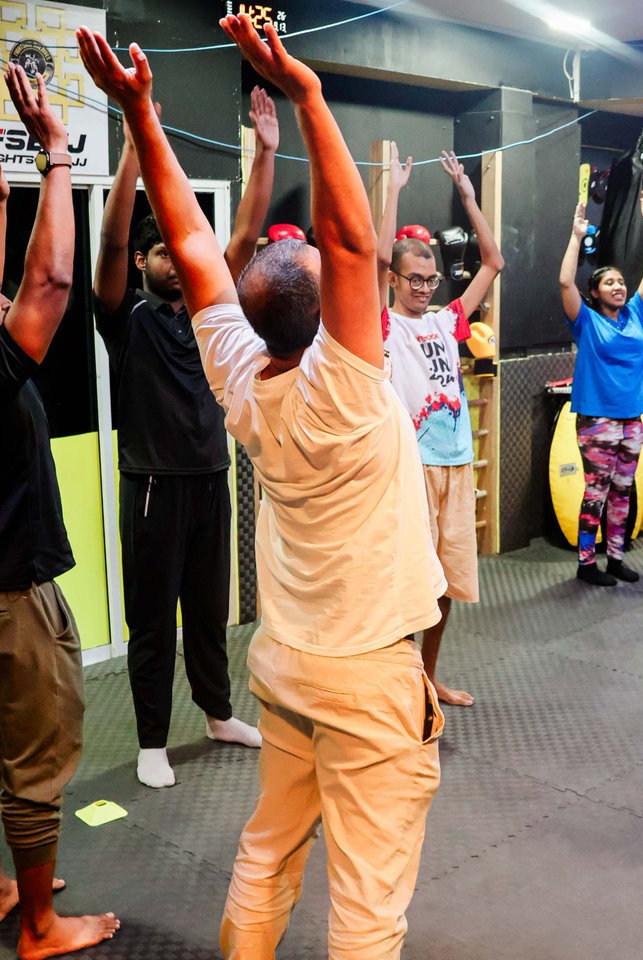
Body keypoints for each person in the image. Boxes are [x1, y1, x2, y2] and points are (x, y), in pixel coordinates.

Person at [78, 17, 447, 957]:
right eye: (330, 272)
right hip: (366, 676)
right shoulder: (348, 386)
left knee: (268, 852)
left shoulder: (241, 378)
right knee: (367, 908)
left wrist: (141, 117)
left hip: (287, 665)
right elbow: (348, 240)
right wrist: (308, 93)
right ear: (332, 311)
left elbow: (200, 248)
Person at [0, 68, 120, 959]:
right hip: (11, 597)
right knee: (37, 768)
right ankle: (39, 928)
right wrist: (56, 155)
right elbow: (51, 282)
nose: (2, 303)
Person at [91, 84, 280, 788]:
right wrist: (135, 155)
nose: (176, 256)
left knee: (208, 612)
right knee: (151, 625)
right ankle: (148, 742)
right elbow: (109, 239)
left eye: (180, 247)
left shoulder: (210, 312)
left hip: (209, 478)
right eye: (161, 251)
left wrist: (263, 154)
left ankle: (217, 712)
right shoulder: (126, 318)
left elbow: (241, 240)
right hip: (151, 490)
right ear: (144, 264)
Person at [376, 142, 505, 707]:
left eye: (430, 279)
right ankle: (399, 685)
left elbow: (494, 261)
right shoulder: (383, 324)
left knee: (448, 587)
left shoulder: (448, 320)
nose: (424, 287)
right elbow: (376, 257)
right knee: (412, 587)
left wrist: (469, 197)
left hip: (456, 463)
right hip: (413, 469)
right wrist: (395, 192)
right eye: (414, 279)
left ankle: (426, 681)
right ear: (395, 278)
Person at [558, 190, 643, 586]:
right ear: (596, 292)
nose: (619, 286)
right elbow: (565, 279)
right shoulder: (585, 321)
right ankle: (587, 563)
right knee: (595, 492)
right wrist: (575, 235)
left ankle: (615, 557)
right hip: (597, 420)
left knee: (623, 490)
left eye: (621, 281)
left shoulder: (636, 312)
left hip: (632, 418)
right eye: (610, 283)